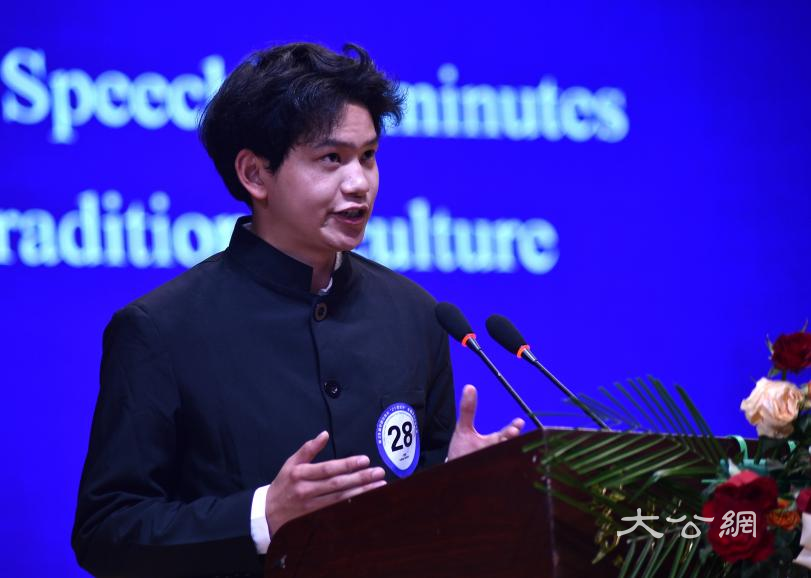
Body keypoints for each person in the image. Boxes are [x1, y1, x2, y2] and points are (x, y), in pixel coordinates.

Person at [72, 42, 524, 578]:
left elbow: (423, 516)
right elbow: (107, 531)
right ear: (255, 174)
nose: (359, 183)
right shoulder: (160, 330)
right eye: (331, 159)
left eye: (368, 156)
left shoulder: (415, 314)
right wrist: (263, 516)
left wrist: (454, 483)